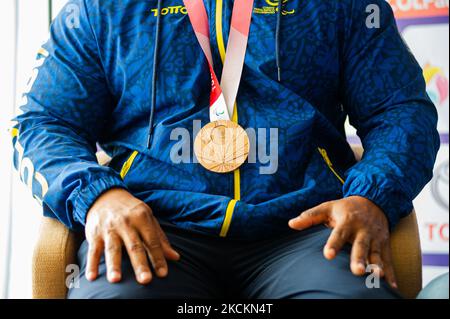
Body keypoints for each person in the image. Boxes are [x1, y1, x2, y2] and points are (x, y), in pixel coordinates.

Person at [11, 0, 439, 299]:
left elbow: (401, 112)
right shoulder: (98, 8)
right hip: (154, 228)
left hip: (306, 229)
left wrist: (372, 196)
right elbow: (43, 123)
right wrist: (98, 197)